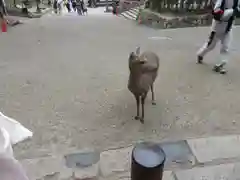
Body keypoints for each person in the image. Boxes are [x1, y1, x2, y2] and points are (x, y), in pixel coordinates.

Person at [196, 0, 240, 74]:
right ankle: (200, 54)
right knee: (210, 45)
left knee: (226, 47)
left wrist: (236, 12)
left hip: (228, 27)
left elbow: (237, 9)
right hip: (218, 26)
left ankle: (219, 65)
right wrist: (231, 12)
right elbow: (216, 11)